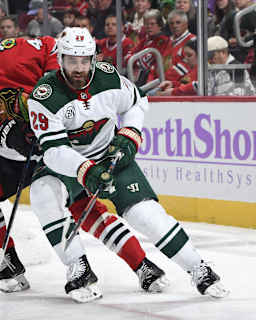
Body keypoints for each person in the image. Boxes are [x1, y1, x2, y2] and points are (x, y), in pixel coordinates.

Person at [0, 15, 167, 302]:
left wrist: (53, 98)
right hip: (14, 154)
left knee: (83, 209)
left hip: (55, 146)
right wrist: (4, 132)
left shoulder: (14, 51)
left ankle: (142, 265)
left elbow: (52, 48)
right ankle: (9, 262)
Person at [27, 27, 229, 298]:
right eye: (72, 60)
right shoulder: (45, 95)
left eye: (84, 60)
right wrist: (86, 170)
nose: (78, 68)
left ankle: (198, 267)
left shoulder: (108, 78)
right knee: (42, 195)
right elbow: (53, 151)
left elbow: (136, 101)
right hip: (69, 164)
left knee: (145, 215)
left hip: (110, 154)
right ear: (60, 59)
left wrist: (129, 134)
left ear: (93, 59)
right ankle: (77, 266)